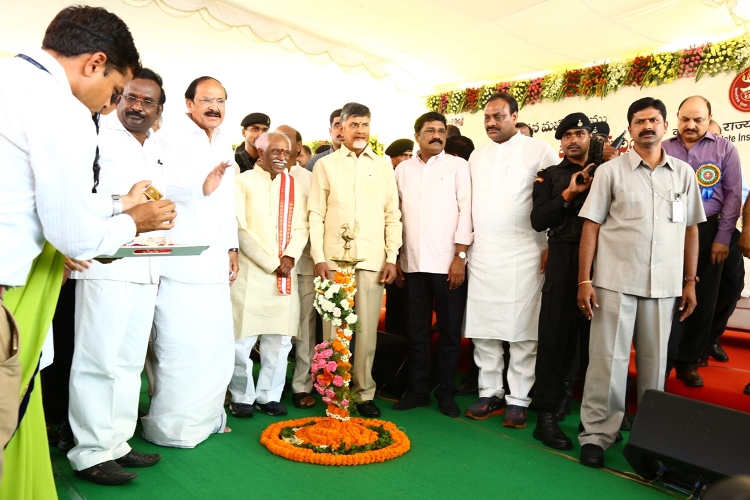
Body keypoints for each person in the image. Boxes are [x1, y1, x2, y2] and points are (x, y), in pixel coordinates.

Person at [0, 5, 176, 497]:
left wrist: (120, 203)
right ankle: (92, 449)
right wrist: (134, 221)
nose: (110, 103)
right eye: (117, 91)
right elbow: (74, 234)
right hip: (19, 284)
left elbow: (38, 193)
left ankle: (113, 440)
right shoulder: (61, 109)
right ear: (95, 63)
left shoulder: (9, 78)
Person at [577, 97, 704, 468]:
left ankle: (648, 441)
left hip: (664, 285)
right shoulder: (610, 172)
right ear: (630, 128)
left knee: (654, 366)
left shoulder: (684, 174)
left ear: (665, 126)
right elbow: (591, 226)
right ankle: (597, 436)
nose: (647, 127)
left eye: (653, 120)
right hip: (614, 281)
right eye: (639, 121)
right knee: (606, 364)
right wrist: (584, 279)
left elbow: (691, 230)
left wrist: (690, 281)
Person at [141, 76, 238, 448]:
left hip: (215, 261)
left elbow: (226, 202)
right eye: (207, 100)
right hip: (179, 261)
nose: (214, 107)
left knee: (214, 345)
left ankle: (208, 418)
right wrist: (199, 187)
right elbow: (153, 188)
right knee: (180, 346)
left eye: (220, 100)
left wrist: (232, 247)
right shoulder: (167, 138)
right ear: (189, 103)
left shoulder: (224, 142)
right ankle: (171, 427)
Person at [464, 92, 557, 428]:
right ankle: (490, 391)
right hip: (484, 252)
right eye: (487, 117)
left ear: (515, 116)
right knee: (484, 327)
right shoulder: (477, 154)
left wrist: (549, 244)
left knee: (522, 330)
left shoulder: (540, 150)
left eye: (499, 116)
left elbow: (552, 200)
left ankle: (518, 399)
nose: (491, 123)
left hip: (525, 252)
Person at [308, 102, 402, 418]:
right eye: (354, 125)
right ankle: (333, 390)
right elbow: (316, 213)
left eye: (364, 125)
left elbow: (392, 214)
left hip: (372, 259)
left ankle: (364, 393)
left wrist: (392, 256)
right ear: (341, 128)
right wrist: (319, 257)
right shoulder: (325, 165)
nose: (360, 131)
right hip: (334, 260)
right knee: (334, 328)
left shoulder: (384, 166)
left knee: (366, 332)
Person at [392, 112, 472, 418]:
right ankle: (418, 390)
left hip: (447, 263)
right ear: (417, 135)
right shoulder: (403, 170)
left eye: (441, 131)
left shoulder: (458, 166)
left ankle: (446, 393)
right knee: (417, 332)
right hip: (412, 263)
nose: (436, 135)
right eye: (430, 130)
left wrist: (460, 257)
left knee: (450, 333)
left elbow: (466, 211)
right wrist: (396, 257)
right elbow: (395, 215)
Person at [229, 132, 308, 417]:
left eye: (286, 152)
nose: (281, 157)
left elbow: (302, 226)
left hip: (285, 271)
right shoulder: (242, 182)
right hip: (252, 273)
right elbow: (240, 228)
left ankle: (269, 395)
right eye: (275, 151)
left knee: (280, 339)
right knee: (242, 340)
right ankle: (241, 395)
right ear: (260, 153)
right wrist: (270, 261)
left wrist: (290, 256)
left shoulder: (294, 186)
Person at [664, 96, 742, 387]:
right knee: (668, 298)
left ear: (709, 119)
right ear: (677, 118)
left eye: (698, 120)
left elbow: (733, 195)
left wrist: (723, 237)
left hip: (709, 231)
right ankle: (662, 361)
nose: (691, 125)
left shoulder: (725, 149)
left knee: (704, 298)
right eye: (685, 119)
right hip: (669, 231)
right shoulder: (663, 148)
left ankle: (688, 363)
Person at [530, 112, 594, 450]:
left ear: (591, 137)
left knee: (599, 344)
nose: (573, 140)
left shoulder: (611, 171)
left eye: (579, 134)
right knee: (554, 339)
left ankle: (595, 419)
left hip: (604, 261)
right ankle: (546, 416)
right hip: (563, 258)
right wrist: (568, 195)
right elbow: (538, 219)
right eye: (567, 135)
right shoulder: (550, 175)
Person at [276, 125, 317, 410]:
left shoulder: (309, 179)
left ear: (299, 147)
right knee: (274, 329)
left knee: (304, 329)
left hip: (302, 265)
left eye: (288, 141)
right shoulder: (262, 177)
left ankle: (301, 385)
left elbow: (314, 221)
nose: (282, 147)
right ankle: (271, 386)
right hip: (268, 265)